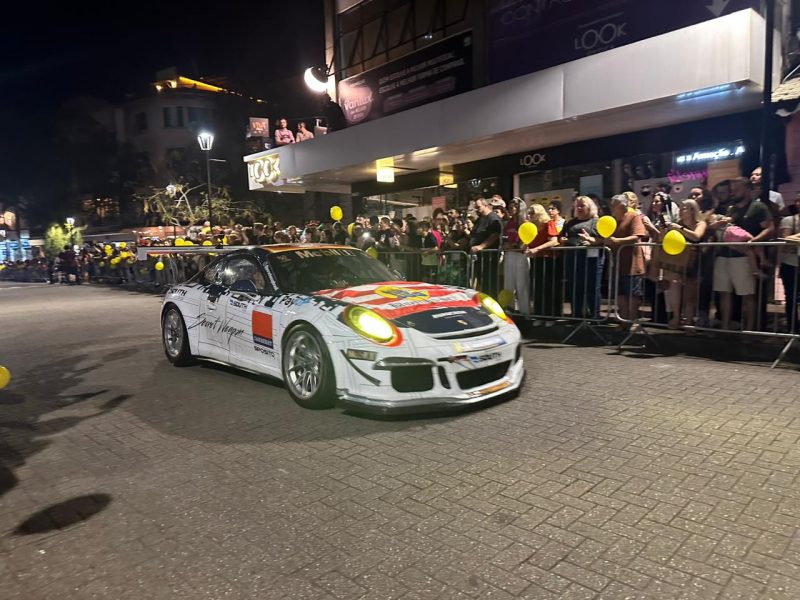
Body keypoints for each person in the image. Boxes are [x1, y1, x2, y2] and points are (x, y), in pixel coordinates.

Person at [709, 177, 774, 331]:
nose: (733, 192)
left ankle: (749, 329)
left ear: (747, 188)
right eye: (732, 189)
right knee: (724, 292)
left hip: (743, 257)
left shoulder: (758, 207)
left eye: (736, 189)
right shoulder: (731, 208)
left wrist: (754, 241)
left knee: (747, 294)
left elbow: (770, 228)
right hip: (724, 255)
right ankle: (725, 326)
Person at [661, 199, 707, 330]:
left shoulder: (700, 223)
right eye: (680, 208)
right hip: (678, 262)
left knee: (690, 293)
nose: (680, 211)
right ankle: (676, 317)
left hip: (694, 261)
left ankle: (689, 321)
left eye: (684, 208)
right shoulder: (678, 224)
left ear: (693, 210)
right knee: (675, 285)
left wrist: (680, 229)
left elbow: (697, 237)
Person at [603, 194, 647, 325]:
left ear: (622, 205)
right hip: (617, 264)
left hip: (632, 264)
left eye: (614, 205)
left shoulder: (634, 216)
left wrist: (617, 241)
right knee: (620, 293)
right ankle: (623, 319)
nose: (611, 208)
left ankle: (631, 320)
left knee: (632, 293)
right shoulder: (612, 220)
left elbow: (637, 235)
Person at [560, 196, 603, 319]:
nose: (578, 208)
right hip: (573, 258)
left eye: (582, 205)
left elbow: (603, 239)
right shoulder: (570, 222)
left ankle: (595, 316)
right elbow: (562, 236)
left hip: (592, 259)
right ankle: (577, 315)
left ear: (589, 207)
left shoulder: (596, 221)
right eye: (577, 206)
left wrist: (591, 240)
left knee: (592, 287)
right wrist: (562, 240)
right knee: (575, 287)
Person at [525, 203, 560, 320]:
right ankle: (539, 314)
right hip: (536, 259)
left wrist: (537, 249)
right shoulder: (531, 226)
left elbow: (553, 241)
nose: (529, 215)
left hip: (547, 258)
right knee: (537, 288)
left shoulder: (548, 223)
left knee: (548, 288)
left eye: (532, 213)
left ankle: (550, 316)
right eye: (529, 213)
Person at [469, 197, 503, 297]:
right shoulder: (480, 219)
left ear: (485, 205)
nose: (476, 209)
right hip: (479, 257)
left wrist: (481, 246)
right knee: (480, 280)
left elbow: (495, 234)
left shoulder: (493, 218)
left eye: (478, 207)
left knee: (489, 281)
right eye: (475, 207)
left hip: (489, 256)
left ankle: (491, 301)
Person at [501, 198, 529, 314]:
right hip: (509, 255)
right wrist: (507, 245)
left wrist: (515, 245)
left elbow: (526, 242)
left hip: (521, 256)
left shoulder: (525, 223)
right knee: (508, 284)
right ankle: (510, 309)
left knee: (521, 284)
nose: (511, 209)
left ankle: (525, 311)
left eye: (514, 206)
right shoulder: (508, 223)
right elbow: (504, 240)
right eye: (510, 207)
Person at [778, 194, 800, 332]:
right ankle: (792, 327)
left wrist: (794, 238)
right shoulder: (788, 220)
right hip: (790, 263)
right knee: (790, 296)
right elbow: (785, 243)